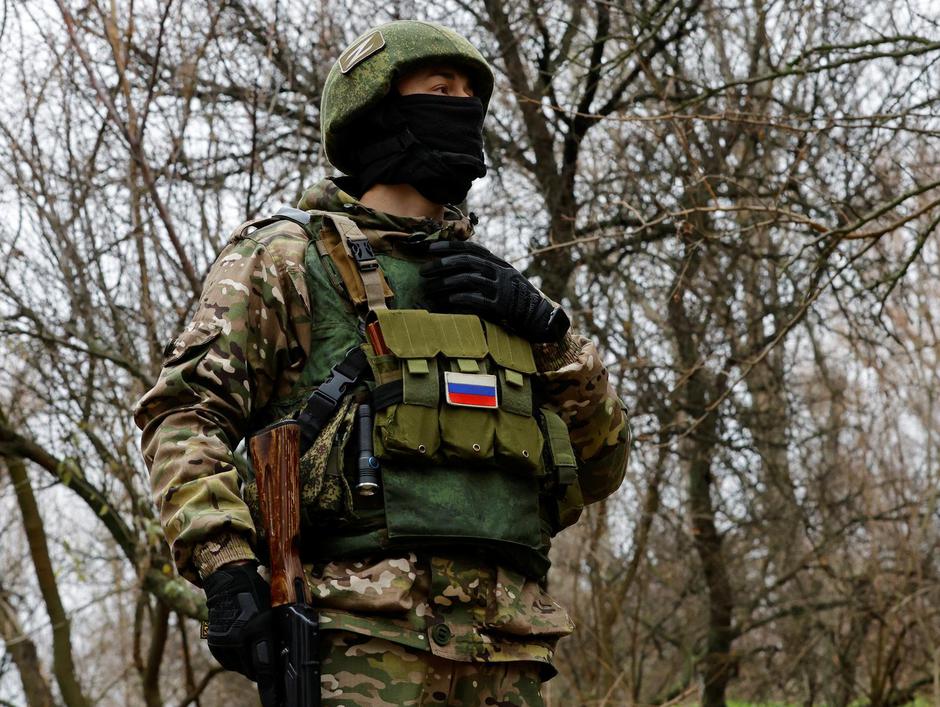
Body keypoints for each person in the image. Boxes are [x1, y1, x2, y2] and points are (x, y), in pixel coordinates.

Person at [135, 19, 629, 706]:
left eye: (471, 97)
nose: (463, 109)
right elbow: (184, 412)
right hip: (357, 652)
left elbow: (601, 465)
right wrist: (223, 559)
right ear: (379, 111)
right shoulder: (288, 258)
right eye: (441, 90)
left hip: (509, 658)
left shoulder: (500, 294)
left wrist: (550, 332)